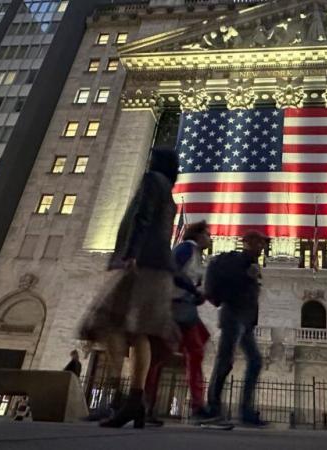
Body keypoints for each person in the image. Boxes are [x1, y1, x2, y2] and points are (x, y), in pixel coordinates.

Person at [78, 147, 181, 429]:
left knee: (105, 321)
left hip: (141, 263)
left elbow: (141, 217)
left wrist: (129, 254)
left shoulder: (151, 181)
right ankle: (135, 400)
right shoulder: (171, 197)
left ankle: (118, 393)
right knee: (139, 332)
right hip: (160, 267)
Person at [143, 221, 218, 427]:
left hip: (183, 307)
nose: (210, 239)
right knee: (187, 351)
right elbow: (174, 272)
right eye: (208, 235)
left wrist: (196, 296)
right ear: (199, 235)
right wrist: (194, 292)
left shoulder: (195, 255)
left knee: (185, 350)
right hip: (175, 309)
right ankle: (196, 407)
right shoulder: (186, 248)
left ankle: (147, 404)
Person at [201, 229, 269, 427]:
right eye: (257, 242)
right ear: (246, 242)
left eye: (263, 243)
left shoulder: (252, 264)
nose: (262, 246)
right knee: (225, 361)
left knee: (255, 361)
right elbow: (232, 287)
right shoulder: (236, 261)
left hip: (246, 321)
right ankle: (213, 407)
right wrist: (246, 275)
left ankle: (245, 410)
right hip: (232, 316)